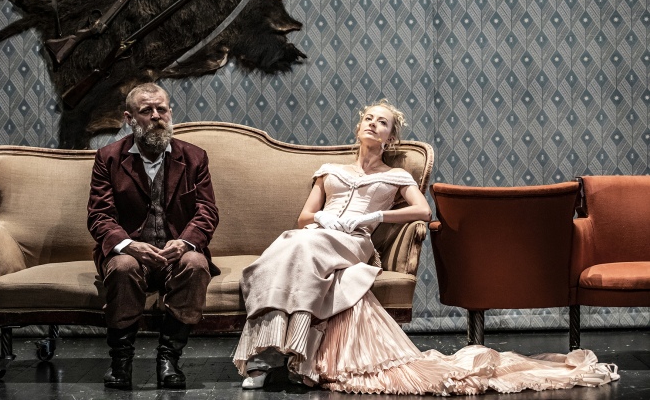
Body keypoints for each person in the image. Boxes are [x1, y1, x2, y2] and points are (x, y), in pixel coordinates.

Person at [234, 99, 619, 394]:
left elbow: (422, 210)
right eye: (369, 118)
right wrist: (323, 219)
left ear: (391, 137)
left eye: (382, 122)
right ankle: (276, 349)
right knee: (293, 242)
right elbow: (304, 217)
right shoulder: (329, 171)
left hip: (353, 241)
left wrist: (376, 217)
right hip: (319, 235)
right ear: (359, 126)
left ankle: (275, 354)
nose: (373, 124)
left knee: (302, 247)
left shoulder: (396, 174)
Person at [88, 83, 219, 390]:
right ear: (129, 118)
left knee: (196, 263)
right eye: (146, 110)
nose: (156, 116)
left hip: (177, 255)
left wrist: (185, 242)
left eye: (162, 109)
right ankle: (121, 362)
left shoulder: (194, 157)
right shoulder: (108, 158)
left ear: (170, 112)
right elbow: (99, 216)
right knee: (123, 267)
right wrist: (129, 246)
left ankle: (169, 359)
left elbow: (207, 211)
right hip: (131, 255)